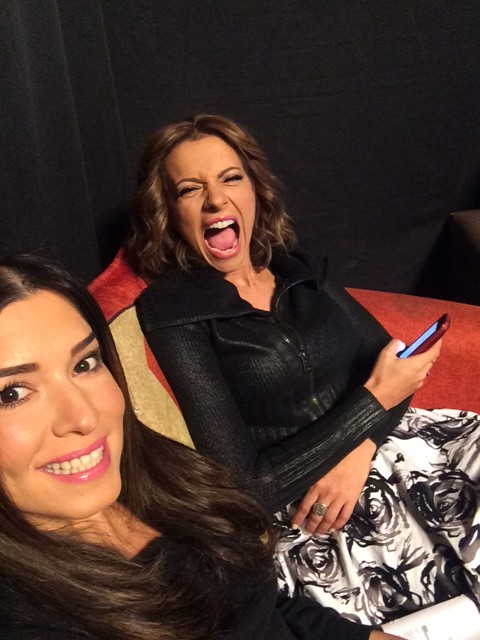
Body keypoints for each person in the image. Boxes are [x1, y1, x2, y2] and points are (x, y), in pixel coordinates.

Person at [126, 114, 480, 626]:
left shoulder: (294, 264)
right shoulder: (175, 311)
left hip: (392, 449)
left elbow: (397, 370)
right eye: (189, 188)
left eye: (230, 178)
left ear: (254, 188)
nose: (216, 200)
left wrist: (358, 449)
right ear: (167, 211)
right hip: (313, 509)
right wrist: (372, 403)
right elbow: (246, 487)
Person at [0, 253, 405, 640]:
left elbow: (264, 611)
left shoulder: (158, 474)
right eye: (11, 393)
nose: (84, 418)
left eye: (85, 364)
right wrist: (369, 407)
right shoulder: (29, 619)